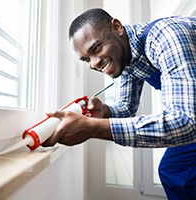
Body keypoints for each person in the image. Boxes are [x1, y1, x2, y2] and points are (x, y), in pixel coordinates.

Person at [43, 8, 196, 199]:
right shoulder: (125, 58)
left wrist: (94, 128)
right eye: (85, 59)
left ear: (117, 27)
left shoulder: (165, 36)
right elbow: (126, 107)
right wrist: (105, 111)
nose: (94, 64)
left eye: (96, 48)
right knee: (174, 171)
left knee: (177, 173)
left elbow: (186, 122)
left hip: (190, 117)